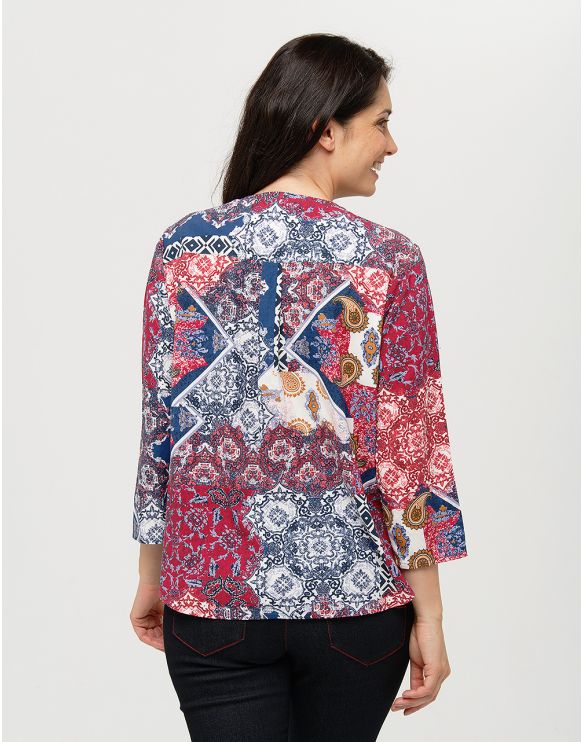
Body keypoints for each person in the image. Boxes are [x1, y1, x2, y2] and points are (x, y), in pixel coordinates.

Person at [129, 32, 468, 742]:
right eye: (381, 122)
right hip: (356, 602)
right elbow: (410, 453)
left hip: (213, 596)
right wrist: (431, 617)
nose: (391, 145)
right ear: (326, 130)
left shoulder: (183, 247)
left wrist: (151, 575)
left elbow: (164, 426)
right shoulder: (390, 259)